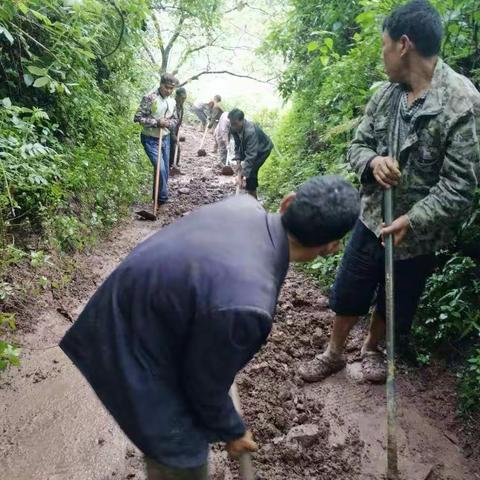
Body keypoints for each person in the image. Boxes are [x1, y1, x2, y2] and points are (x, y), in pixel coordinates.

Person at [59, 175, 360, 480]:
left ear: (288, 202)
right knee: (182, 453)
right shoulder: (248, 304)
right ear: (333, 246)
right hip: (124, 337)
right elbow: (203, 386)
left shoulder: (243, 205)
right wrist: (233, 430)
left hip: (138, 306)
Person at [299, 0, 480, 385]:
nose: (382, 54)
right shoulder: (385, 95)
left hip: (418, 233)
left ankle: (372, 349)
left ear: (403, 44)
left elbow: (461, 185)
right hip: (372, 218)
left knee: (396, 297)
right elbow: (356, 146)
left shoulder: (463, 104)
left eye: (383, 45)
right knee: (351, 286)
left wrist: (414, 219)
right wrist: (372, 161)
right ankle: (333, 353)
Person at [134, 73, 179, 205]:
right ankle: (161, 198)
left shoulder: (172, 101)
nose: (169, 91)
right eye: (166, 88)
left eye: (172, 89)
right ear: (160, 84)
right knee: (160, 168)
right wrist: (157, 122)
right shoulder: (150, 97)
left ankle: (159, 199)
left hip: (165, 138)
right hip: (150, 138)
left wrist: (168, 123)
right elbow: (138, 118)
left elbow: (175, 120)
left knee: (165, 170)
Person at [229, 108, 273, 198]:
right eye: (231, 123)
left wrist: (242, 175)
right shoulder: (233, 128)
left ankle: (253, 201)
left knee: (251, 173)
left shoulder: (250, 132)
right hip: (251, 148)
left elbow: (251, 156)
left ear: (242, 120)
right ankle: (244, 186)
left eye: (235, 124)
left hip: (263, 149)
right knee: (244, 171)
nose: (233, 126)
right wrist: (238, 162)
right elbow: (237, 146)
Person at [169, 87, 187, 170]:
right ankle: (171, 166)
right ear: (177, 96)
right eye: (182, 98)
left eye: (185, 98)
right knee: (174, 147)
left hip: (175, 130)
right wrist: (173, 135)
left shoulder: (181, 106)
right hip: (169, 130)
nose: (183, 100)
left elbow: (179, 120)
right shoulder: (172, 105)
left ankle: (174, 165)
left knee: (175, 147)